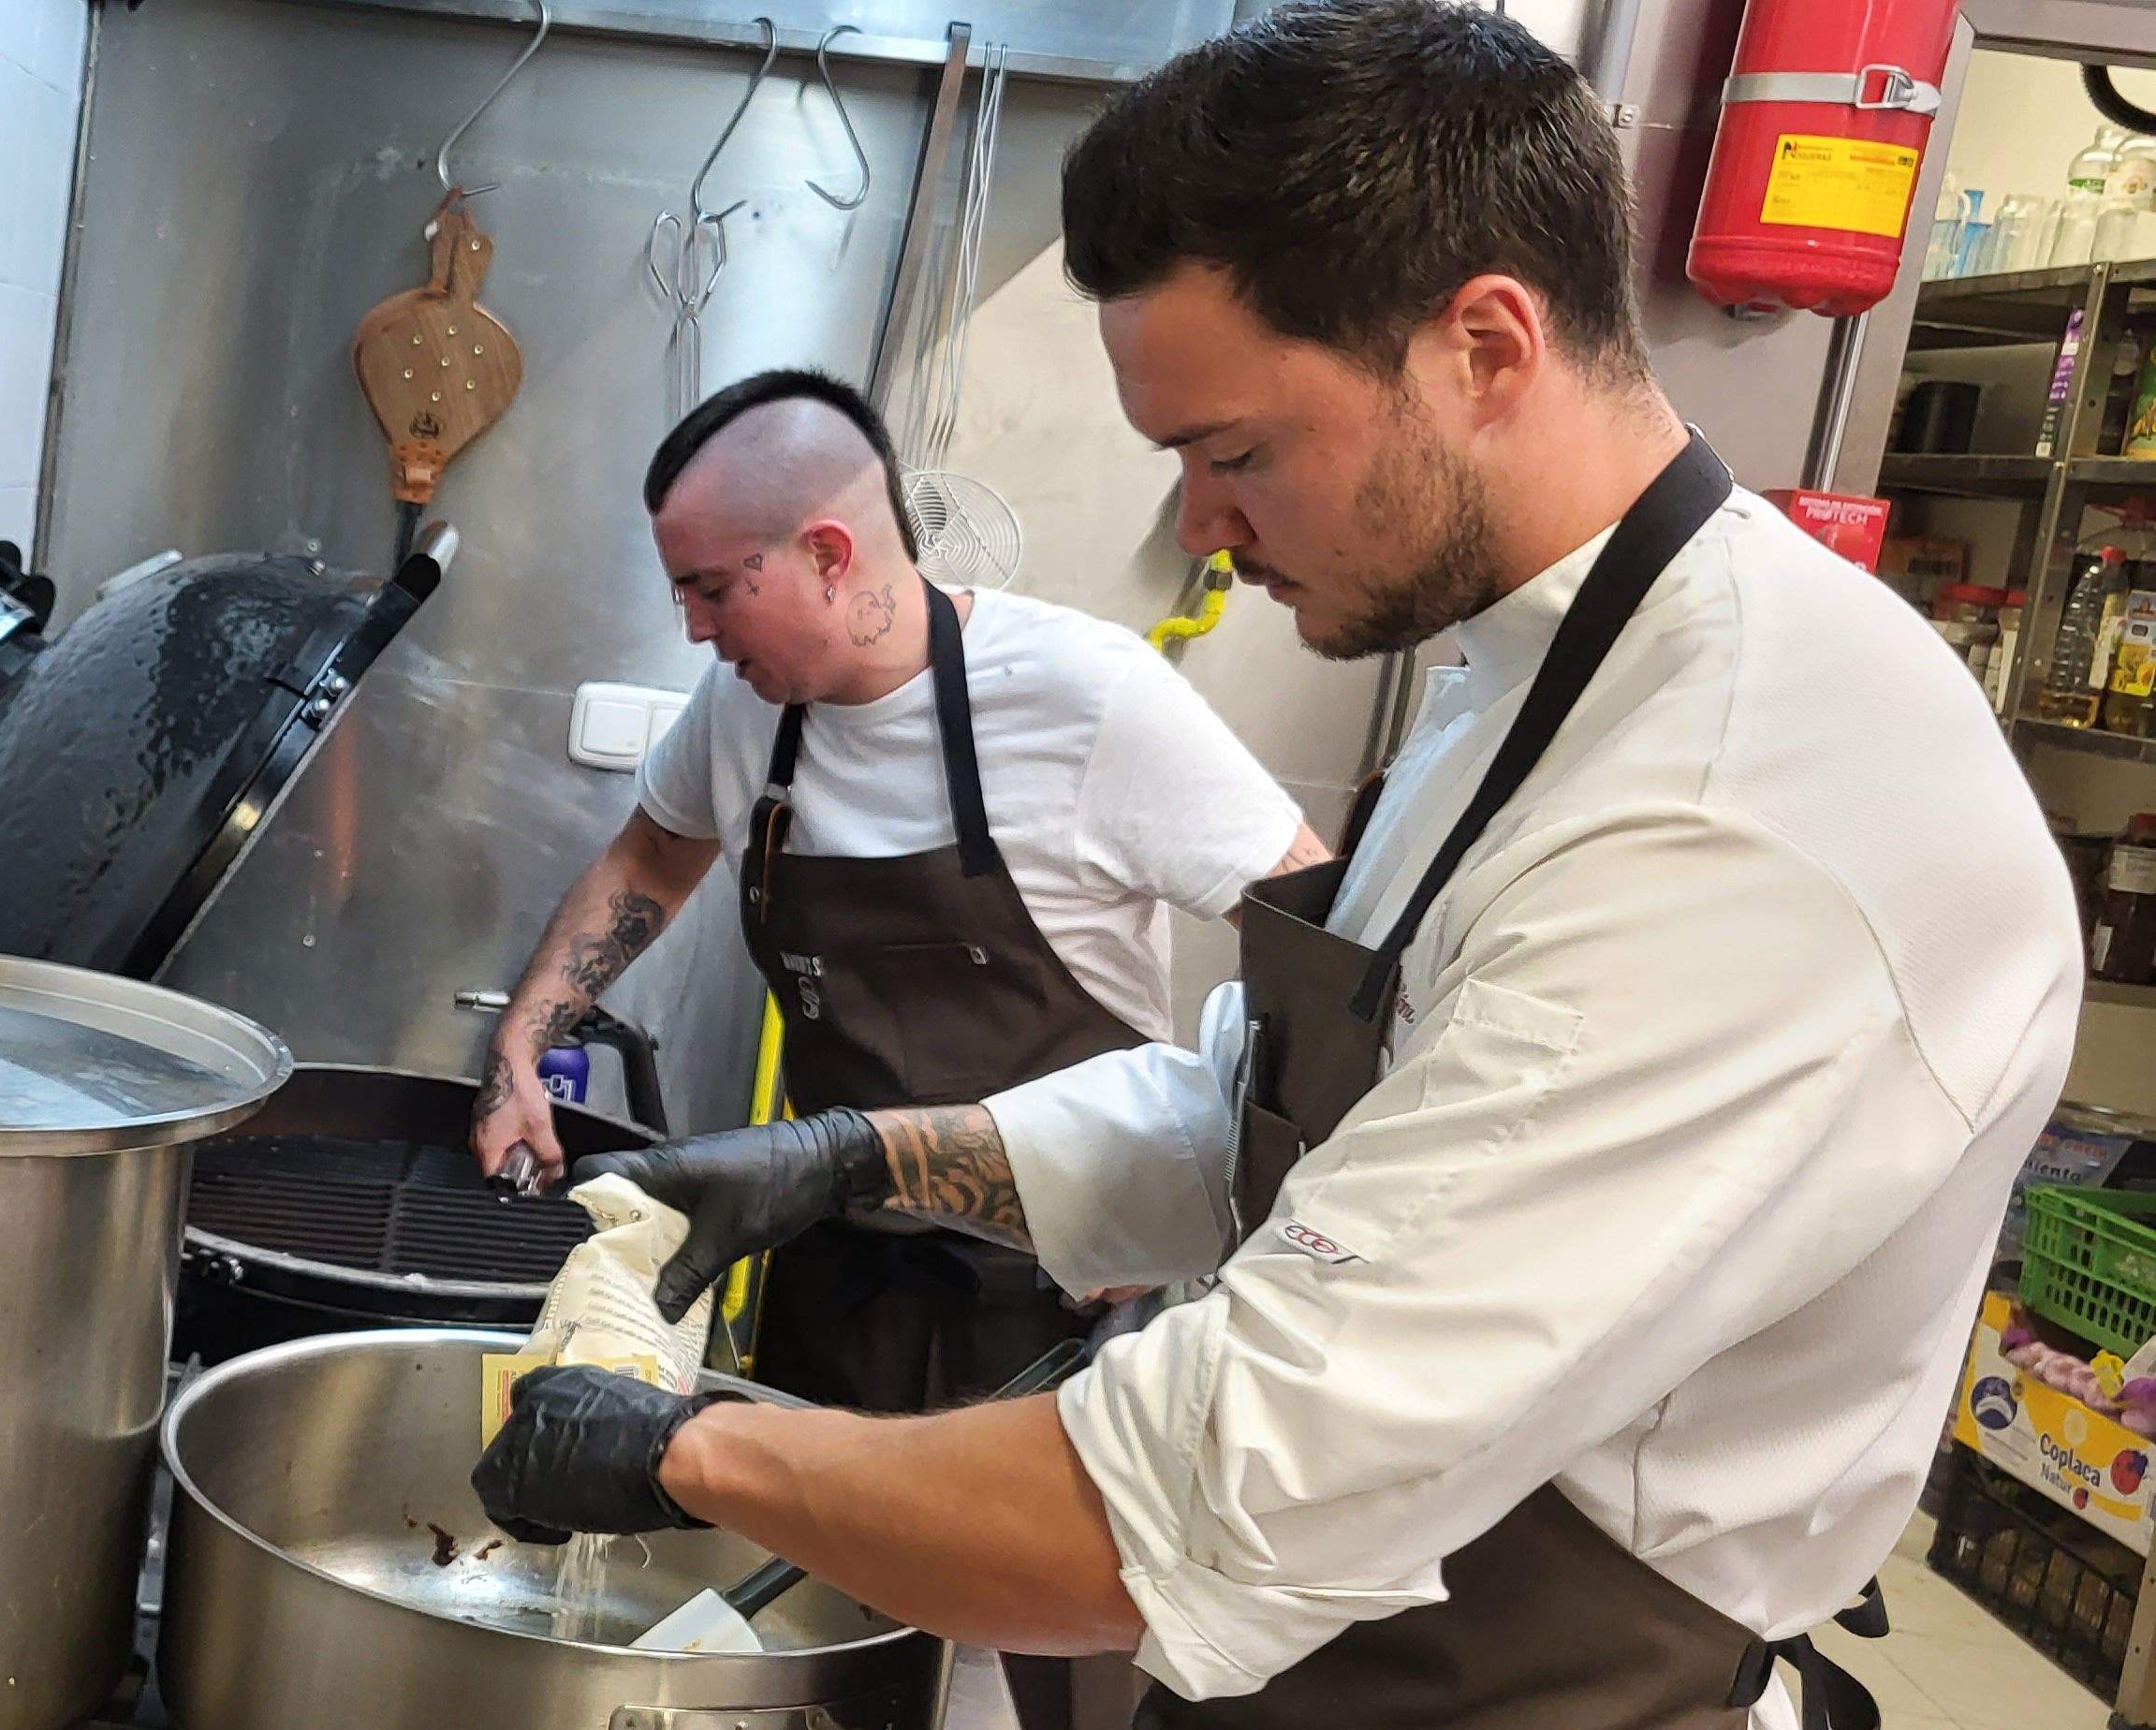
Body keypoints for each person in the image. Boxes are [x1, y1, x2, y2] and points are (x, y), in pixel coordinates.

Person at [469, 6, 2085, 1727]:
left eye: (1234, 454)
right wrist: (848, 1157)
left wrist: (687, 1449)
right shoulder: (1518, 679)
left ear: (1484, 347)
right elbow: (1267, 1110)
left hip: (1532, 1689)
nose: (1211, 532)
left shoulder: (1743, 810)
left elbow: (1185, 1505)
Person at [468, 367, 1319, 1727]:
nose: (692, 629)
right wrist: (528, 1037)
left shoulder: (1088, 696)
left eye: (711, 588)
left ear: (828, 551)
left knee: (1038, 1676)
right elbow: (655, 849)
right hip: (830, 1267)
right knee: (814, 1644)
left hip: (1044, 1304)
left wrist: (1200, 1208)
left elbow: (1310, 945)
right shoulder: (752, 711)